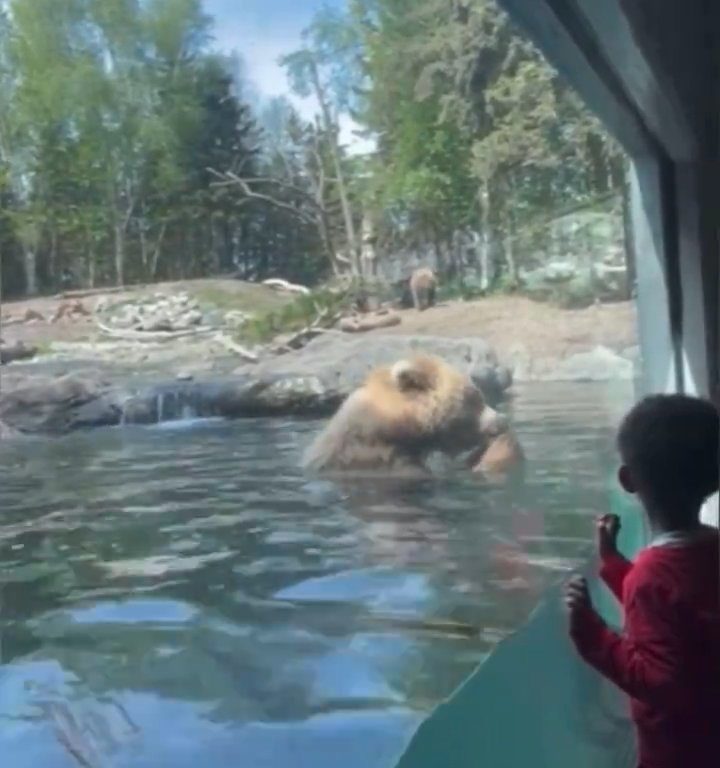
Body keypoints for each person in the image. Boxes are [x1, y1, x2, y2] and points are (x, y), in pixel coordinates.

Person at [564, 393, 720, 768]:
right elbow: (674, 615)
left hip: (676, 752)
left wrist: (591, 634)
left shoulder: (651, 575)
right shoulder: (711, 549)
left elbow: (659, 680)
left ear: (627, 479)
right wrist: (614, 563)